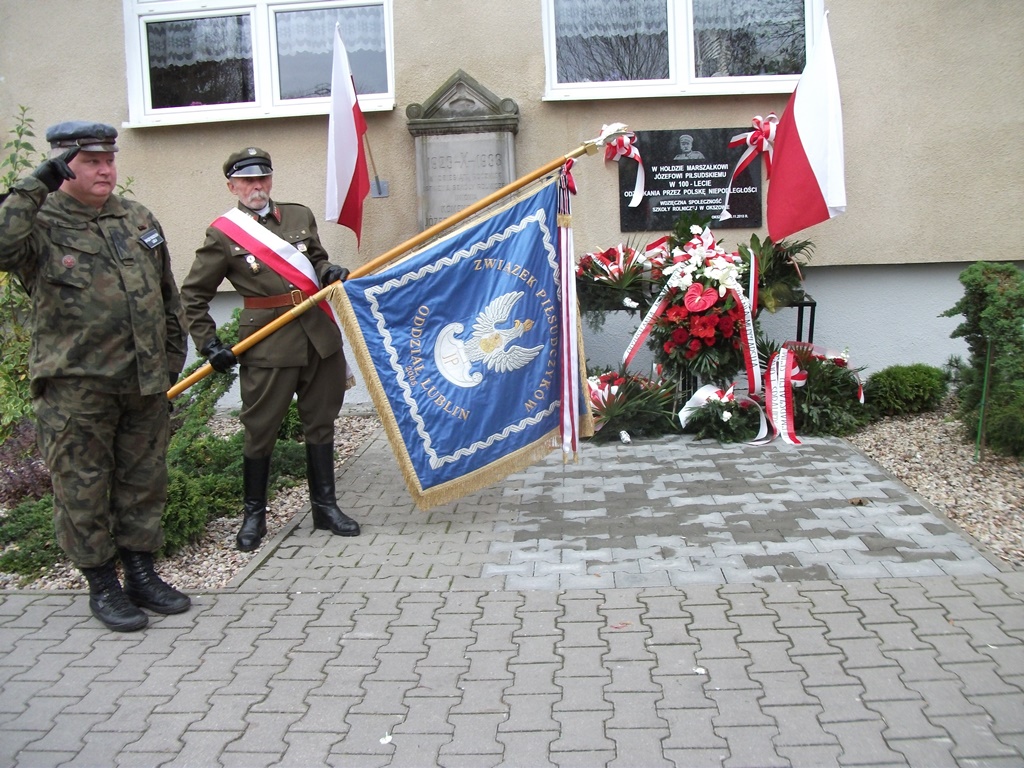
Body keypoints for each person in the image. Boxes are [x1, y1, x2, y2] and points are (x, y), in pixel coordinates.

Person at [0, 121, 191, 632]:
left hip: (144, 384)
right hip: (76, 389)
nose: (106, 169)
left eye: (110, 159)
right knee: (82, 489)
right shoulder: (38, 220)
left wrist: (172, 359)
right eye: (91, 161)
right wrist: (31, 185)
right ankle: (102, 585)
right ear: (63, 165)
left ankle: (141, 573)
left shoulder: (135, 217)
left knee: (143, 482)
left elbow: (166, 294)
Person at [181, 147, 359, 553]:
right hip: (268, 343)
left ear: (271, 180)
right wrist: (208, 343)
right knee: (261, 430)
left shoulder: (299, 215)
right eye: (246, 181)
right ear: (232, 186)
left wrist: (330, 271)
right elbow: (192, 294)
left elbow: (316, 261)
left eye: (261, 178)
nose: (255, 187)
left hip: (318, 337)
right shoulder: (223, 234)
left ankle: (325, 508)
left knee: (321, 423)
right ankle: (254, 517)